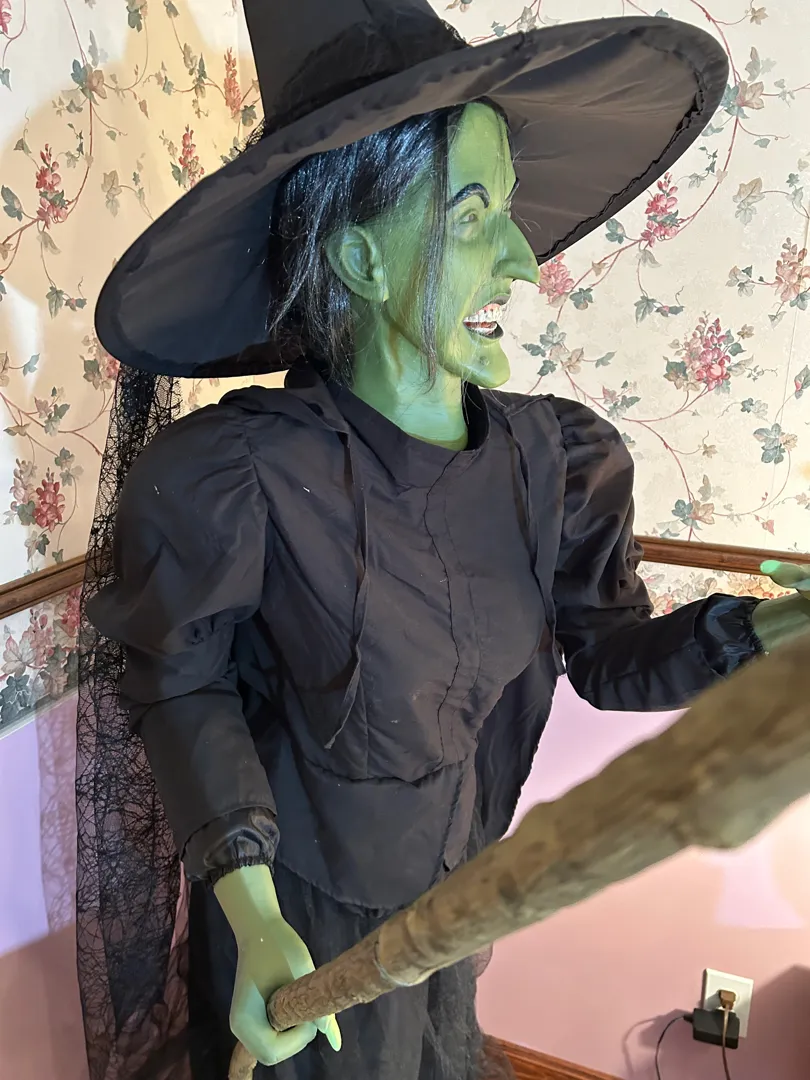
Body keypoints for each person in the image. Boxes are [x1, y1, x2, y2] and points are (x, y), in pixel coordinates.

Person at [75, 4, 810, 1080]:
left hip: (457, 893)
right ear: (361, 258)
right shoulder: (234, 478)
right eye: (475, 218)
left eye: (507, 211)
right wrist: (254, 912)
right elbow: (184, 689)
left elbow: (609, 657)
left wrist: (772, 631)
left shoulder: (558, 462)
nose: (523, 260)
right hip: (298, 917)